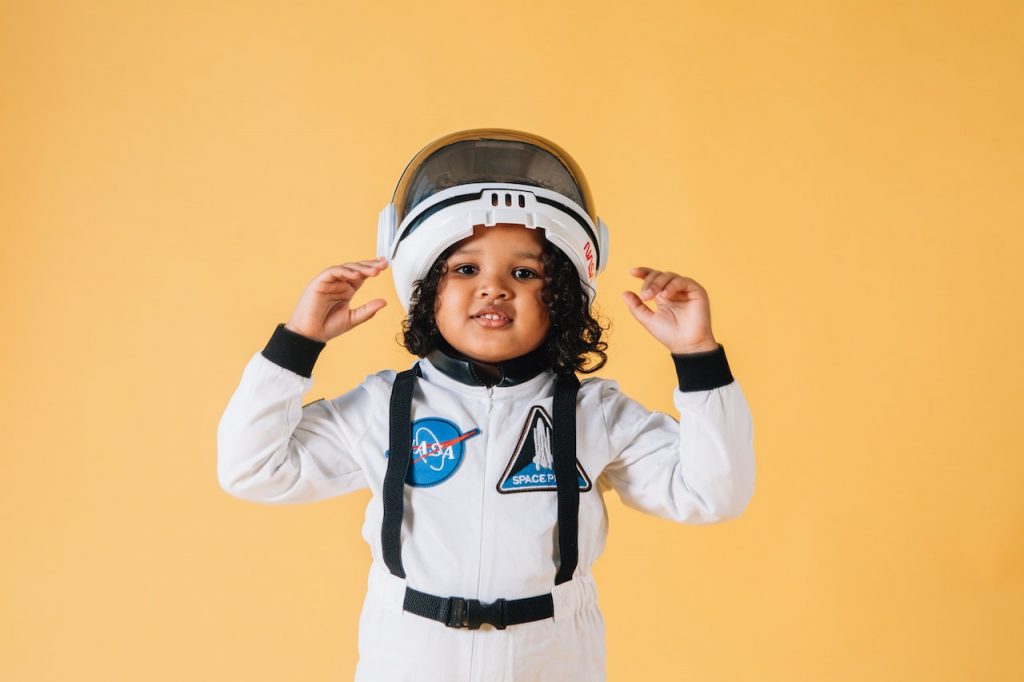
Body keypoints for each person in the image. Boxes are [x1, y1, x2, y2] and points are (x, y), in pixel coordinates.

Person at [217, 129, 755, 681]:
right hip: (410, 655)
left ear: (563, 295)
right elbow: (252, 469)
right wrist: (297, 343)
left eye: (524, 273)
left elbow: (713, 494)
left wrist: (697, 357)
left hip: (553, 656)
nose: (494, 288)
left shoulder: (595, 414)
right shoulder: (384, 408)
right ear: (427, 287)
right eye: (466, 269)